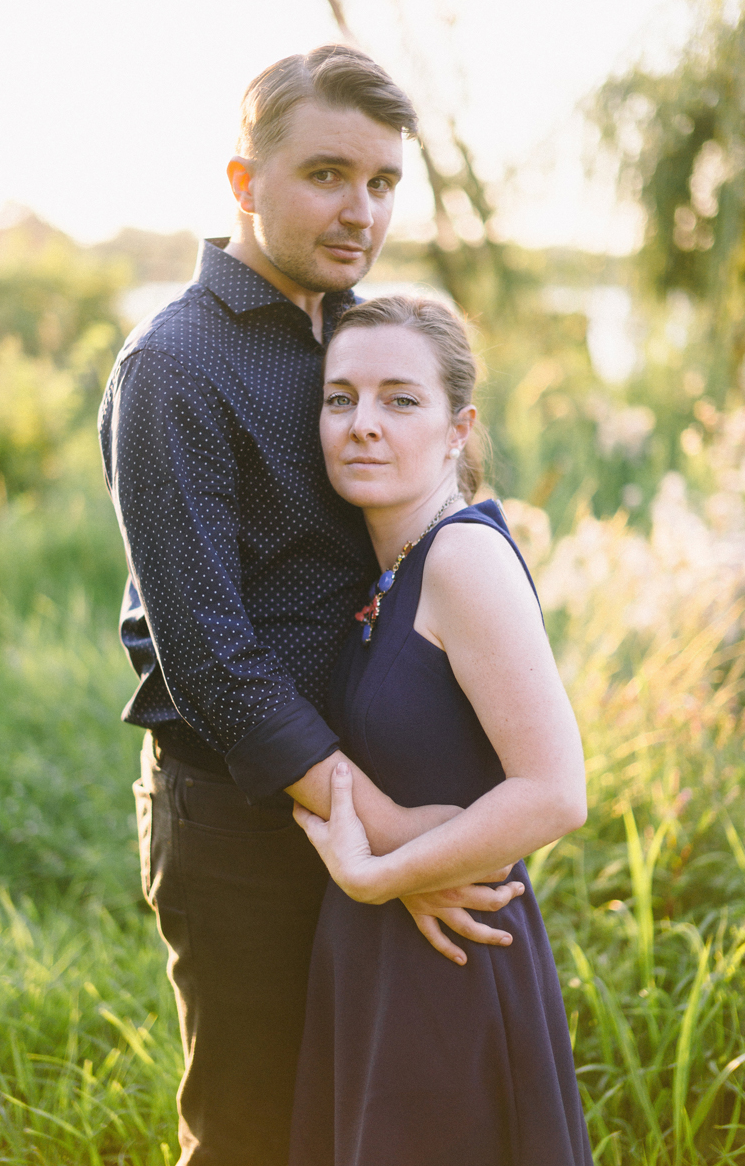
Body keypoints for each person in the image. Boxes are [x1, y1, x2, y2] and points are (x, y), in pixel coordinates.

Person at [99, 47, 522, 1166]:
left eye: (383, 182)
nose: (360, 210)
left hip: (367, 795)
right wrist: (391, 838)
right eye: (327, 174)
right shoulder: (175, 369)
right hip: (243, 822)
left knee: (353, 1125)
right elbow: (211, 654)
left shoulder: (353, 331)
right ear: (244, 182)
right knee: (248, 1132)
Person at [290, 295, 594, 1166]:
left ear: (459, 429)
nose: (363, 425)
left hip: (454, 962)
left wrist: (380, 877)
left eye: (401, 399)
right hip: (387, 957)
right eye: (340, 398)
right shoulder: (391, 570)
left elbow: (554, 791)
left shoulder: (462, 558)